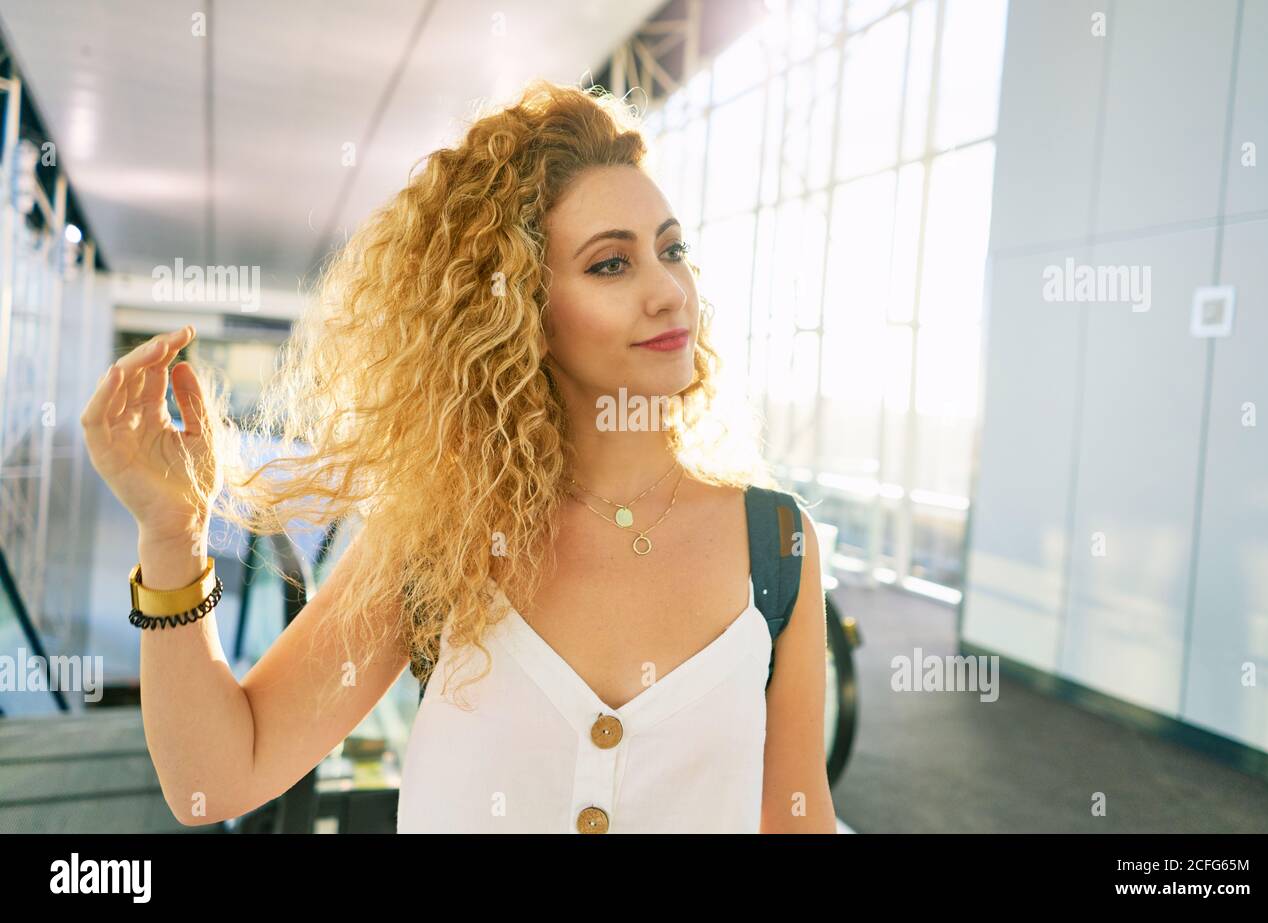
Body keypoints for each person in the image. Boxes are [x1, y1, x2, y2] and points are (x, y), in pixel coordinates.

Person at [80, 78, 837, 833]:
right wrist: (172, 536)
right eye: (612, 264)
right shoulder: (438, 539)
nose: (669, 290)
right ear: (519, 313)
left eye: (672, 250)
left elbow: (797, 817)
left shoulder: (777, 546)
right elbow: (215, 778)